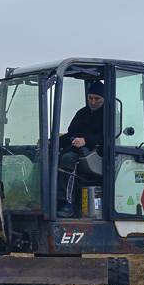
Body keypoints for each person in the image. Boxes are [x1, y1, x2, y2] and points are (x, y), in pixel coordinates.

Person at [57, 81, 106, 217]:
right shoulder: (82, 113)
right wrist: (51, 142)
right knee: (52, 157)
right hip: (75, 149)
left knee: (68, 160)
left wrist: (86, 141)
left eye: (97, 99)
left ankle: (68, 204)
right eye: (90, 98)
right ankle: (51, 200)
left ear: (104, 98)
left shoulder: (108, 114)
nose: (93, 102)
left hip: (95, 155)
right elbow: (69, 135)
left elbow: (106, 136)